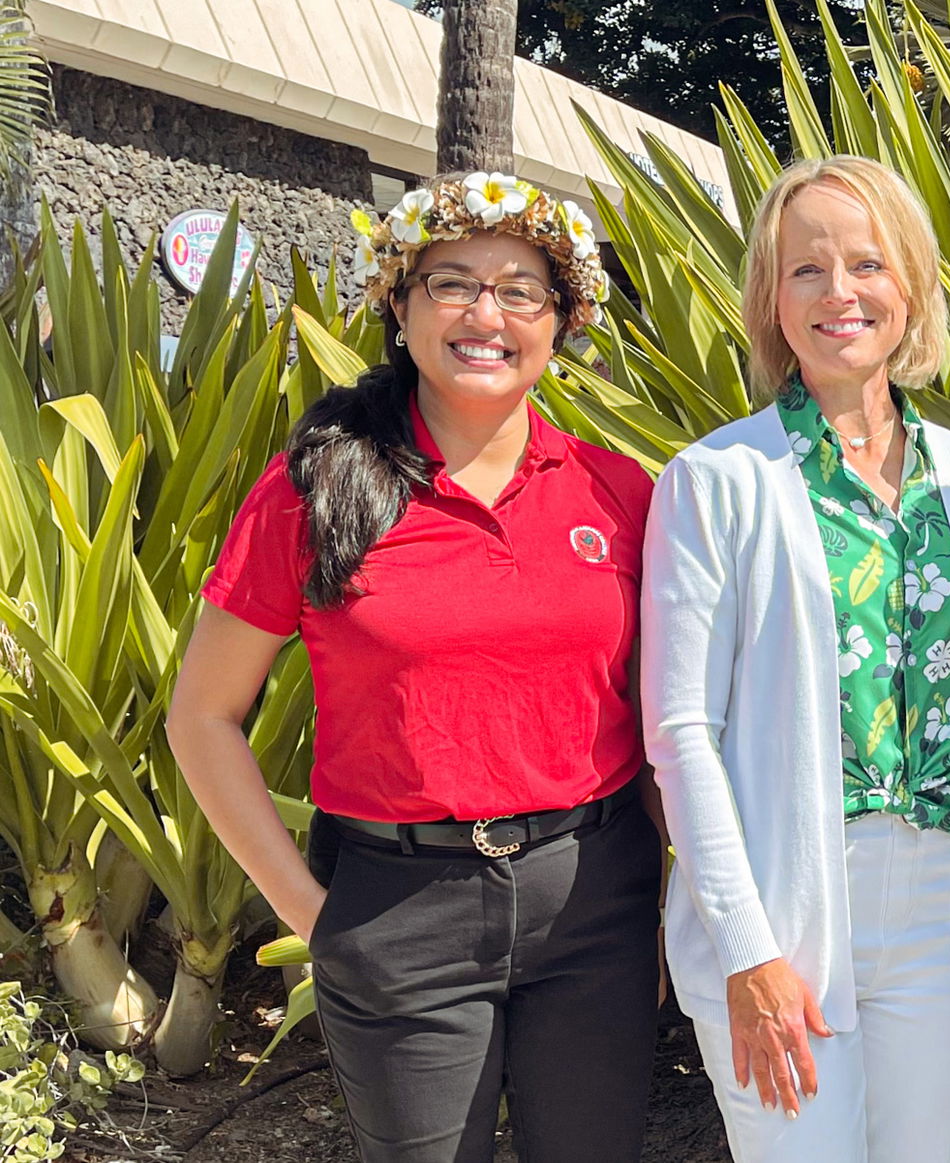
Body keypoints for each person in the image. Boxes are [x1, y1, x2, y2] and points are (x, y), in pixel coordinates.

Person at [166, 172, 662, 1162]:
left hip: (594, 896)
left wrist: (661, 908)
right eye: (452, 282)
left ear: (562, 320)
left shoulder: (618, 492)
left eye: (522, 288)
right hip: (397, 908)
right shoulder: (315, 486)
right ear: (398, 302)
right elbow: (201, 716)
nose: (488, 313)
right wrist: (316, 916)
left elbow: (655, 719)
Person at [640, 155, 950, 1162]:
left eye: (867, 262)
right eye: (806, 269)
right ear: (770, 298)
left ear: (912, 288)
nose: (839, 292)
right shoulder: (715, 479)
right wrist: (746, 948)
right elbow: (680, 733)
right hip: (787, 901)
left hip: (944, 907)